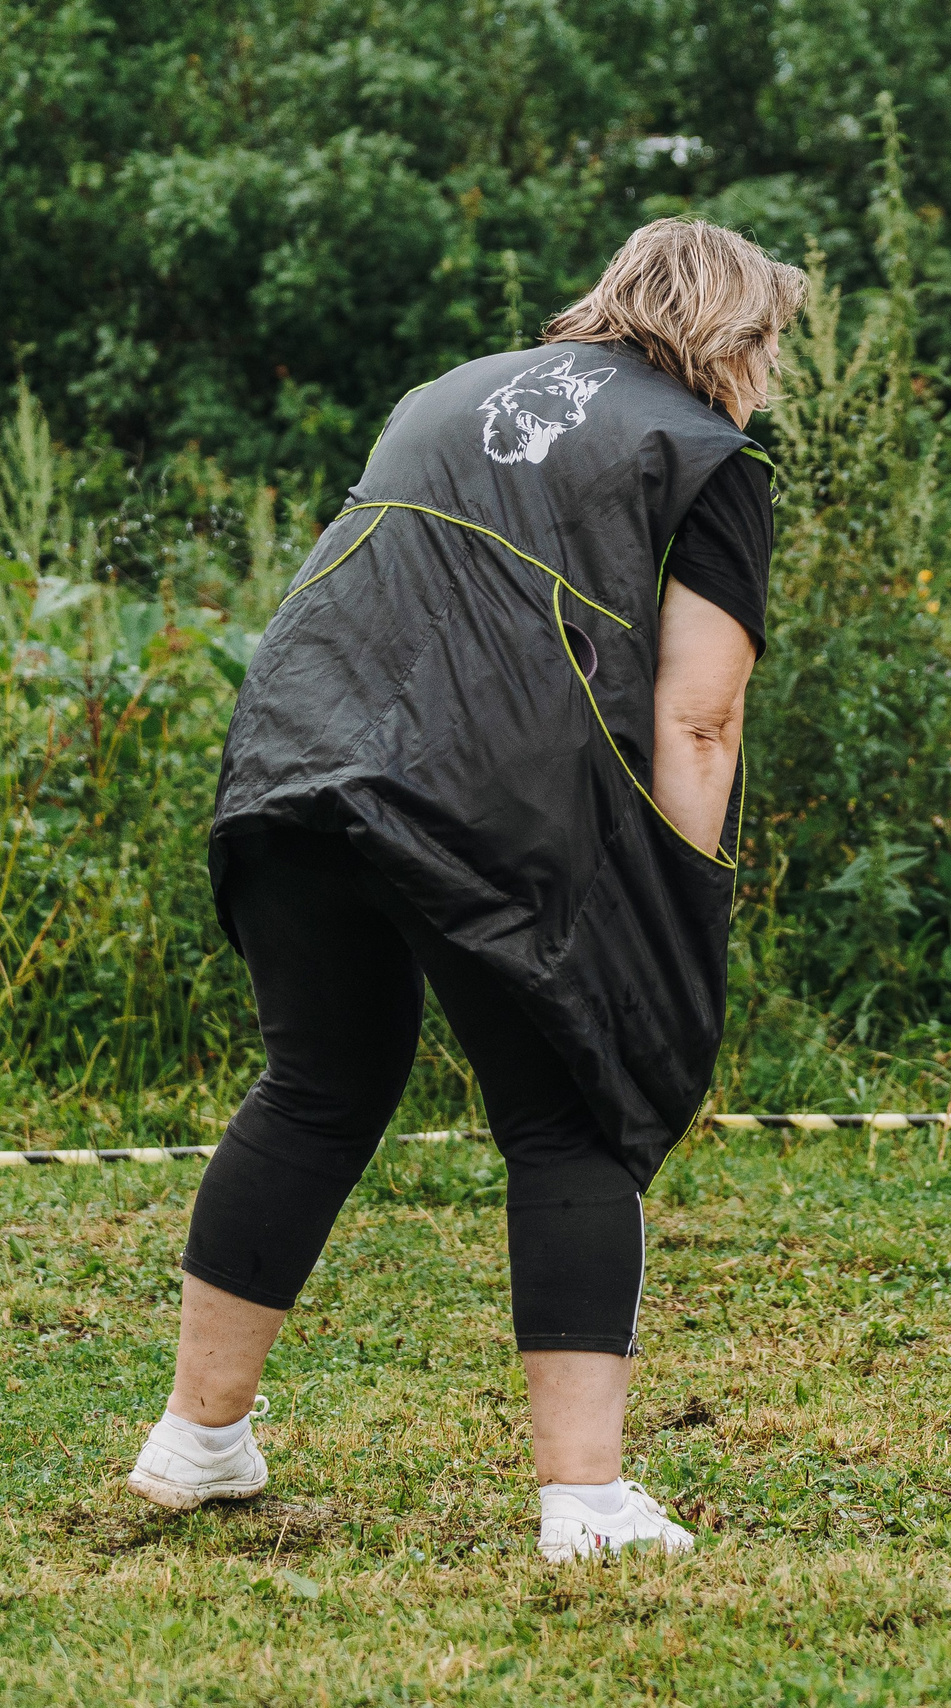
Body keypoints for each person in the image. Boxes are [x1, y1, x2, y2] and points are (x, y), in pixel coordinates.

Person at [124, 219, 804, 1562]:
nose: (771, 373)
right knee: (571, 1112)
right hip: (483, 796)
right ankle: (587, 1503)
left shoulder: (444, 393)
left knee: (316, 1086)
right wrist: (679, 900)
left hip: (292, 752)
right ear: (736, 335)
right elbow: (703, 719)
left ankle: (197, 1441)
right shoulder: (711, 451)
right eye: (771, 345)